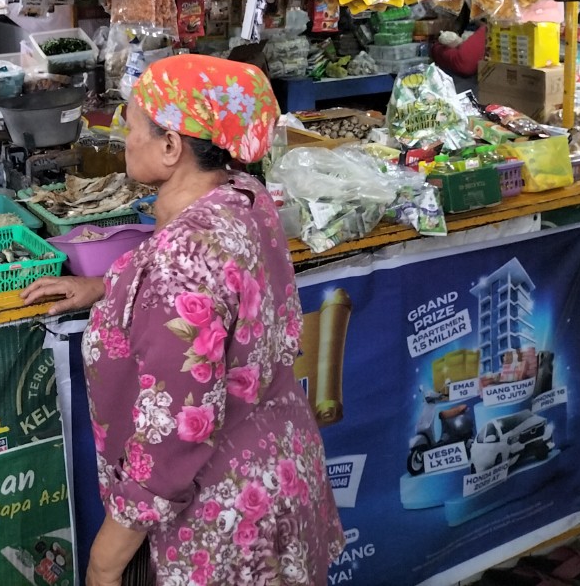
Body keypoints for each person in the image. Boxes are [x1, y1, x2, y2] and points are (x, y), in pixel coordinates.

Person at [23, 54, 344, 586]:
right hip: (278, 472)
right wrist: (109, 286)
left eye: (131, 126)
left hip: (219, 517)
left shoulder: (181, 261)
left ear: (171, 146)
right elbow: (216, 293)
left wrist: (108, 557)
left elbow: (173, 430)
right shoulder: (244, 198)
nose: (124, 138)